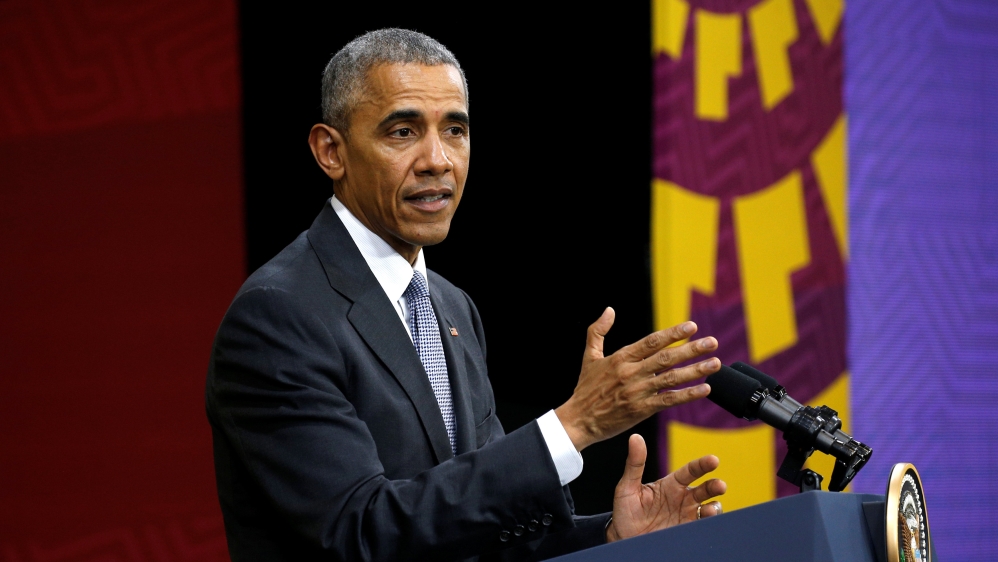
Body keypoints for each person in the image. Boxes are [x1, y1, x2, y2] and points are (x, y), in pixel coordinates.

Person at [206, 28, 726, 562]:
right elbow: (358, 533)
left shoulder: (451, 307)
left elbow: (483, 529)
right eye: (403, 132)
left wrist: (609, 536)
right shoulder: (278, 315)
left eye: (454, 130)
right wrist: (574, 425)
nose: (438, 160)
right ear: (330, 151)